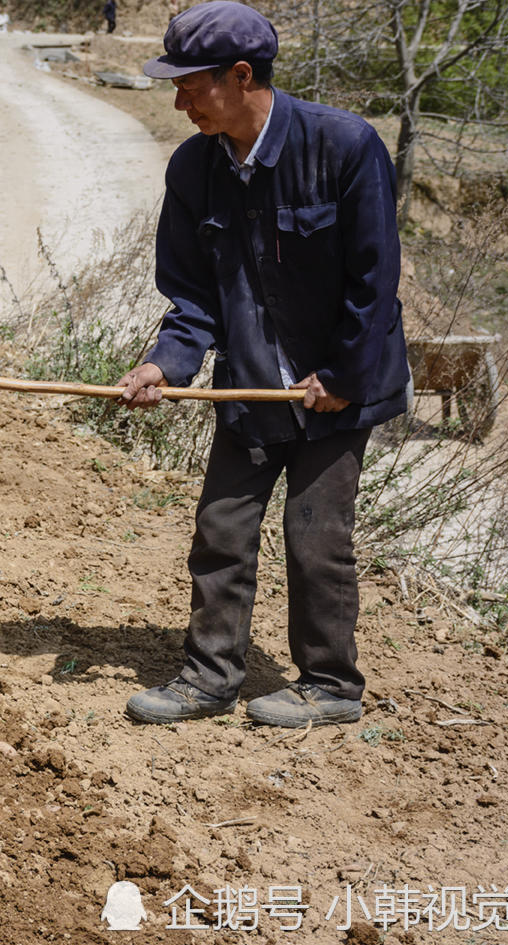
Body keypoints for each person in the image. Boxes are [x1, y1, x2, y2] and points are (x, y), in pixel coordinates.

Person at [117, 1, 409, 728]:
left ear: (241, 75)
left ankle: (331, 686)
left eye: (191, 87)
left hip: (337, 389)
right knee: (221, 528)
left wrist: (342, 377)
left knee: (317, 538)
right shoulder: (194, 168)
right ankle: (209, 678)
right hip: (249, 384)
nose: (180, 103)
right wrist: (167, 365)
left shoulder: (344, 146)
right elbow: (192, 294)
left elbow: (374, 283)